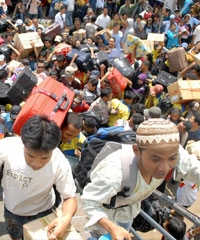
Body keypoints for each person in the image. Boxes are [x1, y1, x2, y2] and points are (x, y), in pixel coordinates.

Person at [81, 118, 200, 239]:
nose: (164, 168)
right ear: (136, 151)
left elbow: (192, 168)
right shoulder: (114, 173)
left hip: (129, 211)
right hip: (105, 214)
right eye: (155, 159)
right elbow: (89, 202)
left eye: (172, 159)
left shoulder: (168, 150)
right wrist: (111, 227)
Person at [0, 115, 77, 240]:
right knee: (15, 236)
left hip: (43, 213)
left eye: (44, 158)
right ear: (22, 143)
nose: (37, 163)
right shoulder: (8, 147)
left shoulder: (60, 161)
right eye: (30, 156)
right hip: (12, 212)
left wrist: (66, 218)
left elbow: (69, 197)